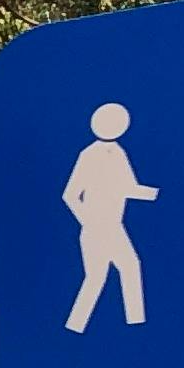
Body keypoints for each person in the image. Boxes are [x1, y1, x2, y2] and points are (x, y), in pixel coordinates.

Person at [63, 102, 157, 331]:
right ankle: (76, 327)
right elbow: (70, 195)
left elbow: (127, 187)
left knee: (128, 268)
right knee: (98, 278)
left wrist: (155, 194)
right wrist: (89, 221)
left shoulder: (118, 152)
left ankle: (136, 324)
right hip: (98, 227)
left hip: (114, 226)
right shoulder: (89, 154)